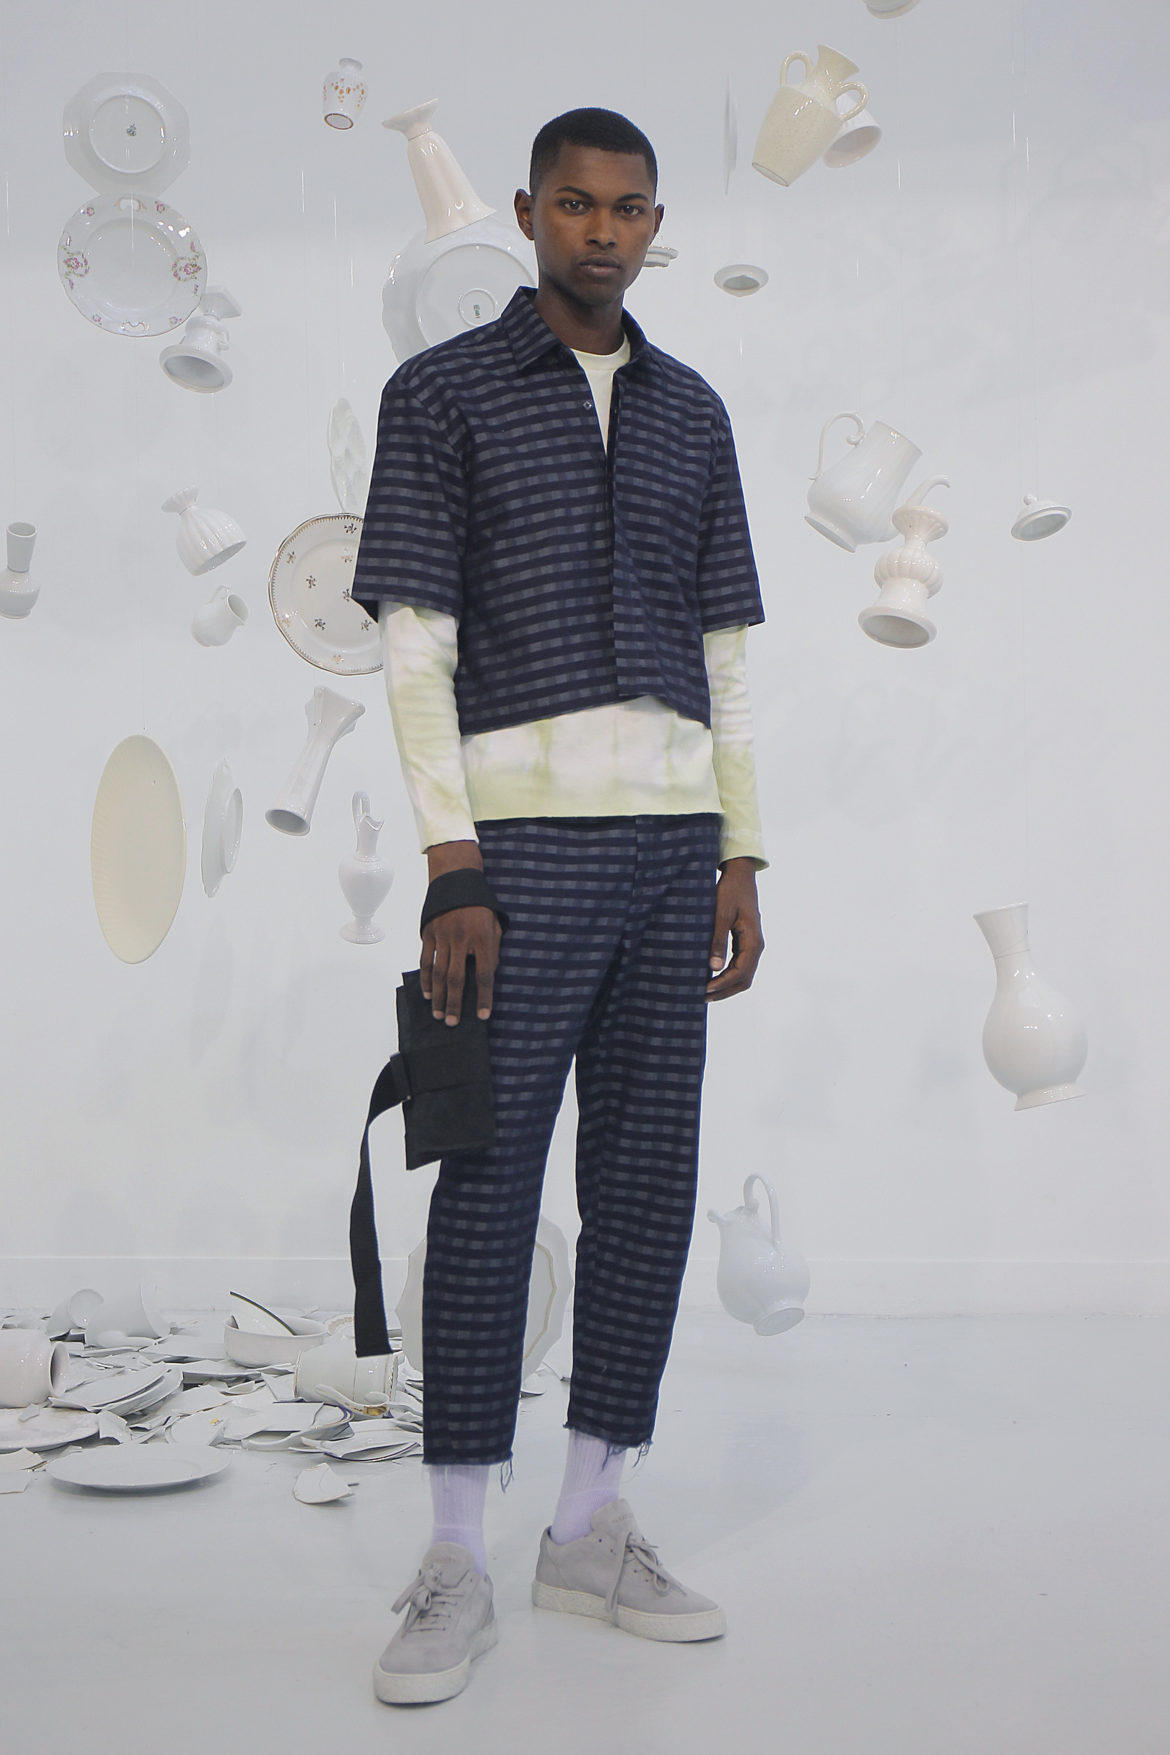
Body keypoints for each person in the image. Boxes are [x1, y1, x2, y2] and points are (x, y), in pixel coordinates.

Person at [351, 106, 767, 1707]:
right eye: (577, 205)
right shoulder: (441, 393)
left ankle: (590, 1522)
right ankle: (456, 1550)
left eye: (630, 209)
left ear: (656, 225)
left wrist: (741, 853)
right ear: (527, 212)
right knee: (485, 1183)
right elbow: (414, 646)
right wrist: (451, 861)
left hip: (673, 850)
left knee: (646, 1184)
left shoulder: (694, 410)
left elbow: (726, 651)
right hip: (515, 857)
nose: (604, 232)